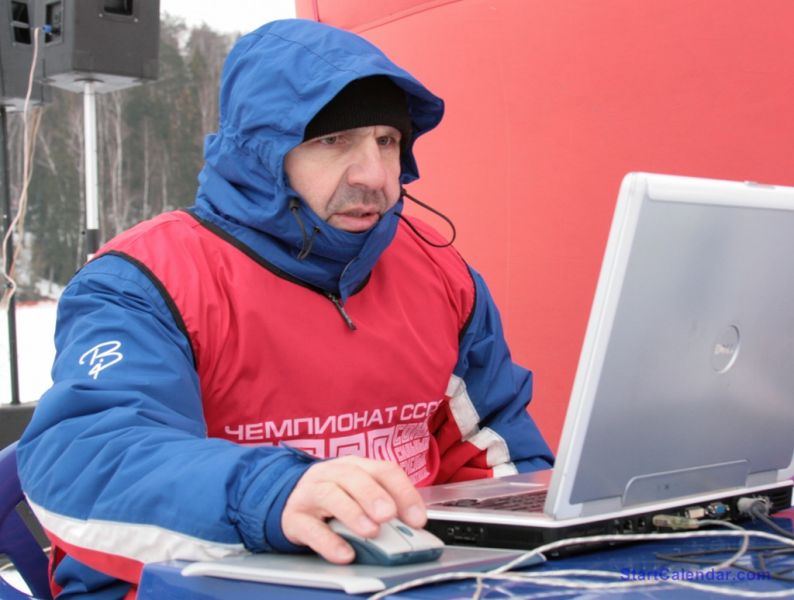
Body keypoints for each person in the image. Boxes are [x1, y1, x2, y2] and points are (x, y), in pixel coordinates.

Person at [17, 18, 553, 599]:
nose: (375, 175)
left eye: (386, 141)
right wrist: (269, 497)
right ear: (262, 154)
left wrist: (546, 543)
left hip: (405, 581)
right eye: (334, 140)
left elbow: (499, 455)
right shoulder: (146, 280)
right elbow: (84, 460)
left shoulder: (439, 273)